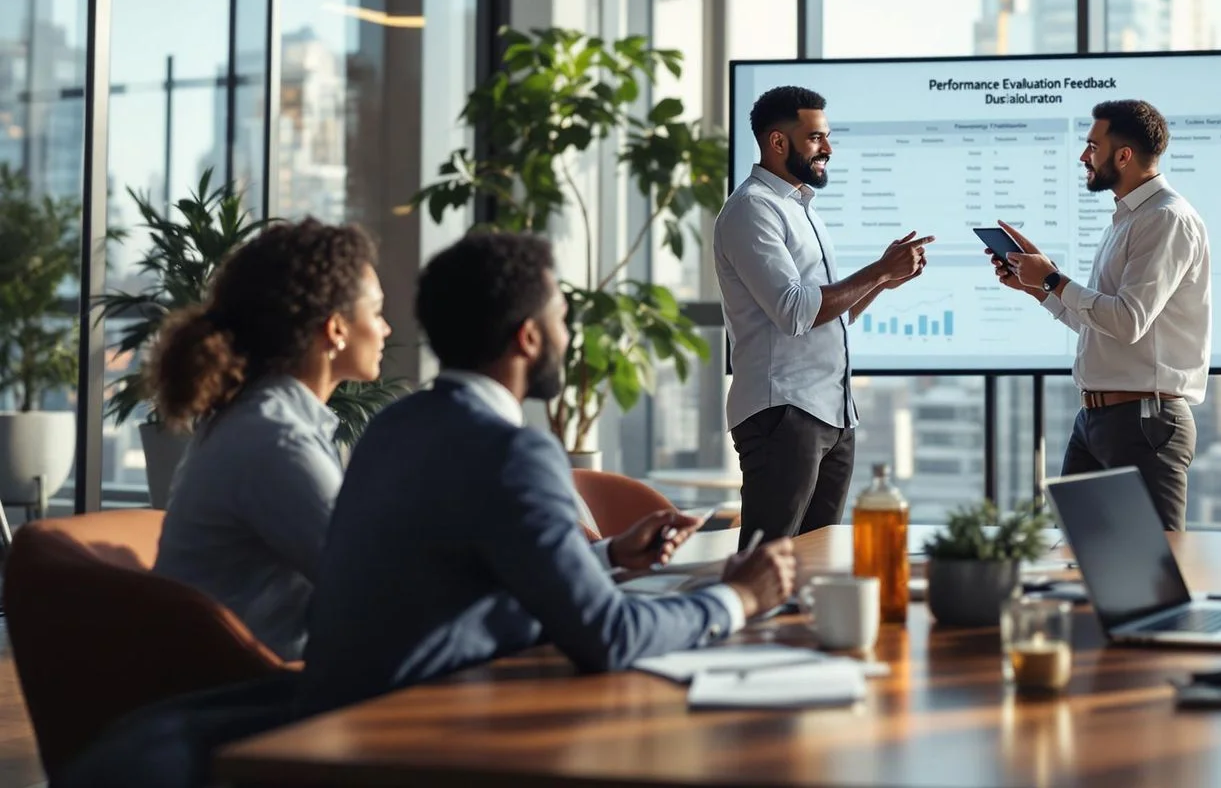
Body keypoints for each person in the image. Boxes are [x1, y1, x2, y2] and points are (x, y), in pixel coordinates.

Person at [297, 232, 796, 715]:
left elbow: (461, 578)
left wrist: (607, 556)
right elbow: (609, 636)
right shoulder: (511, 451)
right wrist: (738, 597)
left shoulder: (396, 424)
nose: (569, 333)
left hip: (346, 717)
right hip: (420, 733)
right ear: (529, 337)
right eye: (561, 317)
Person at [153, 219, 390, 661]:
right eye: (376, 312)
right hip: (247, 702)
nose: (385, 329)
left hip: (247, 679)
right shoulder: (275, 440)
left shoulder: (260, 418)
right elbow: (375, 585)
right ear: (336, 328)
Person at [713, 85, 932, 547]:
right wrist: (875, 270)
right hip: (784, 413)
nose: (827, 149)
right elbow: (795, 310)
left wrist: (882, 281)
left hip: (830, 413)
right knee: (767, 559)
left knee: (814, 560)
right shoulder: (752, 210)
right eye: (816, 138)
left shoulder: (800, 208)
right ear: (777, 142)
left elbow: (828, 316)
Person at [990, 99, 1211, 531]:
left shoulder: (1166, 219)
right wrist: (1039, 289)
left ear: (1123, 155)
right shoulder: (1126, 221)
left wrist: (1053, 279)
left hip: (1145, 422)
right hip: (1096, 419)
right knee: (1077, 554)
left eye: (1092, 146)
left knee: (1158, 564)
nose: (1082, 156)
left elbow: (1128, 321)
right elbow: (1100, 325)